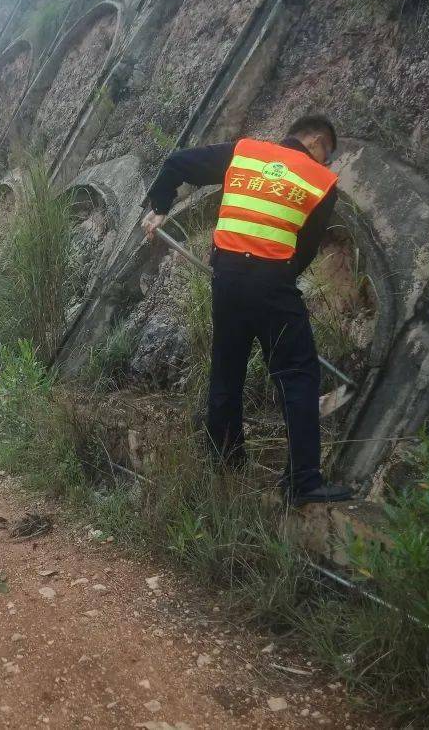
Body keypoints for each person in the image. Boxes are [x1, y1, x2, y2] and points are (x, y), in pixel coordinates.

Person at [141, 115, 353, 506]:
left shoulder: (245, 152)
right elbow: (305, 249)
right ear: (318, 141)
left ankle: (226, 465)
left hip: (227, 280)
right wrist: (278, 278)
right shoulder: (321, 182)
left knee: (227, 370)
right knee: (297, 376)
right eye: (327, 154)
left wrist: (160, 208)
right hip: (273, 282)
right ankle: (303, 482)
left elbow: (176, 163)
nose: (325, 163)